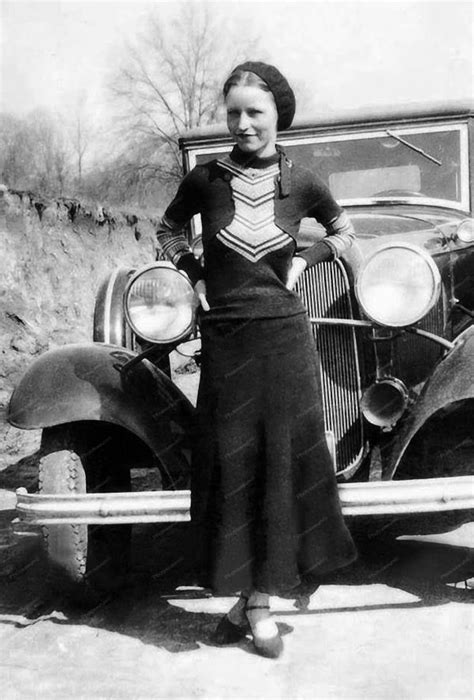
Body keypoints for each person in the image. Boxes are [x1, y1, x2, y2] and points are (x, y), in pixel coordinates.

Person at [156, 61, 357, 659]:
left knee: (280, 465)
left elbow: (346, 233)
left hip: (284, 339)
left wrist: (306, 258)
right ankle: (250, 596)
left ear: (278, 116)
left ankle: (260, 599)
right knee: (232, 465)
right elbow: (167, 230)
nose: (243, 124)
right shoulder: (205, 180)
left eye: (255, 112)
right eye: (234, 113)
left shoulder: (306, 181)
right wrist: (192, 274)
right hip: (226, 341)